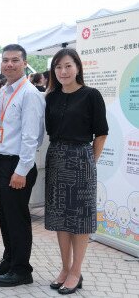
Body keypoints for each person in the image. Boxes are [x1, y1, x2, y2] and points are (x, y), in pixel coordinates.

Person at [44, 48, 108, 295]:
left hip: (81, 158)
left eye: (68, 66)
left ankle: (76, 271)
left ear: (78, 67)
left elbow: (101, 133)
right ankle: (64, 268)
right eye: (58, 67)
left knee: (80, 220)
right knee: (61, 217)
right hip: (56, 157)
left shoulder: (91, 95)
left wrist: (90, 161)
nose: (63, 71)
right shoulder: (51, 97)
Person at [0, 44, 45, 287]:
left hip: (17, 165)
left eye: (15, 60)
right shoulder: (4, 91)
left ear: (24, 63)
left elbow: (31, 137)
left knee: (18, 218)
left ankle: (22, 269)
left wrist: (21, 170)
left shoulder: (29, 93)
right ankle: (9, 259)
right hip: (1, 161)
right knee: (5, 216)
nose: (9, 64)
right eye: (6, 60)